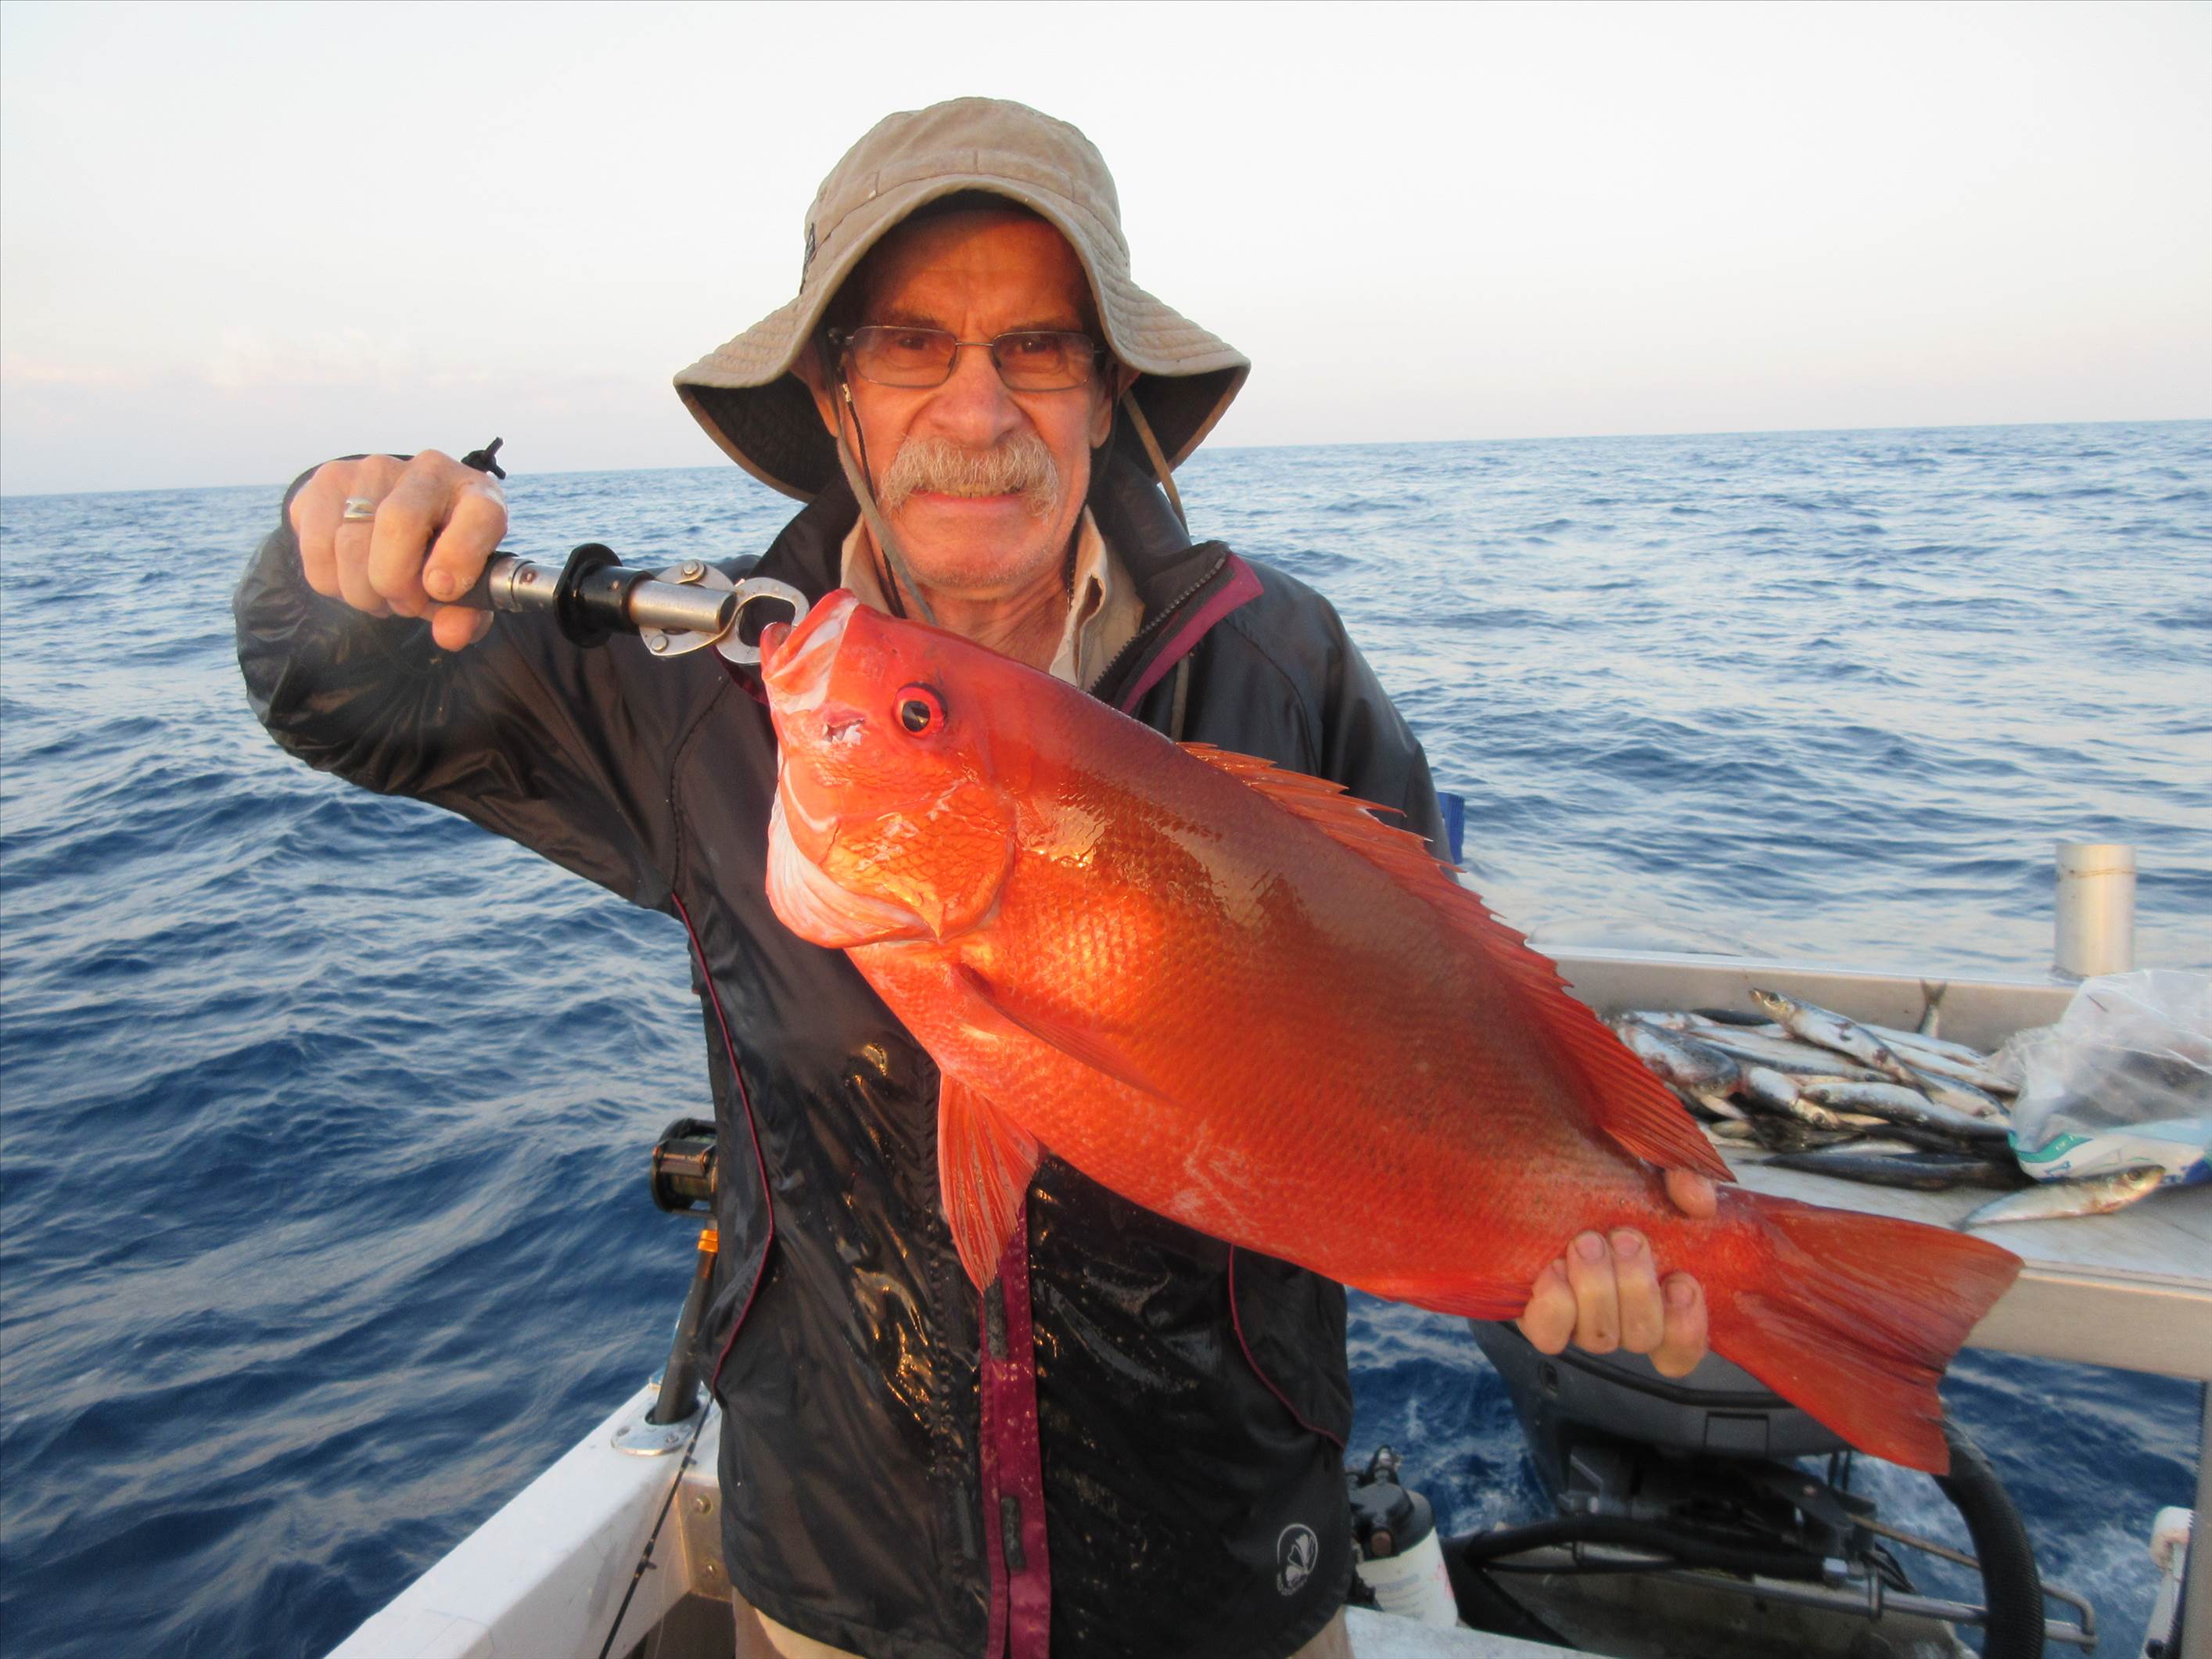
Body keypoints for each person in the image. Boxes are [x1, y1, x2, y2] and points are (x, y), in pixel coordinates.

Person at [238, 98, 1715, 1659]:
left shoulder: (1281, 669)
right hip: (840, 1593)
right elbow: (321, 692)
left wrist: (1591, 1225)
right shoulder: (710, 681)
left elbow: (1435, 1003)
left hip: (1228, 1588)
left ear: (1106, 392)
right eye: (909, 347)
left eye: (1039, 348)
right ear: (837, 394)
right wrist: (338, 546)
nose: (976, 406)